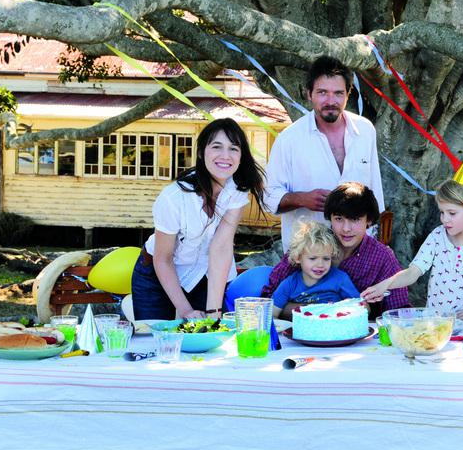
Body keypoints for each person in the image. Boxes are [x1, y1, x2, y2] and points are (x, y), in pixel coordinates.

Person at [131, 118, 264, 321]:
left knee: (208, 337)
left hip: (204, 275)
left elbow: (220, 249)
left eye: (234, 149)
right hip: (157, 274)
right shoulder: (173, 198)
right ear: (202, 153)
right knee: (155, 341)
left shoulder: (236, 191)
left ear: (241, 155)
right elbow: (163, 258)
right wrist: (185, 311)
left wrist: (213, 313)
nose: (225, 156)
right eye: (217, 147)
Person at [361, 179, 463, 323]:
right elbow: (413, 272)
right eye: (442, 212)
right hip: (436, 328)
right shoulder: (438, 236)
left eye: (452, 213)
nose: (444, 219)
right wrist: (385, 284)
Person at [264, 55, 384, 251]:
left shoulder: (365, 131)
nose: (331, 101)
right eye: (322, 92)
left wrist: (373, 247)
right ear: (309, 94)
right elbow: (268, 198)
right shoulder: (289, 139)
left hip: (357, 254)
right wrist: (301, 199)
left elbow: (375, 194)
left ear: (347, 95)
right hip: (308, 257)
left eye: (338, 93)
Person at [262, 182, 408, 319]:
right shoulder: (309, 244)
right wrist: (318, 311)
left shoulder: (382, 257)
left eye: (355, 219)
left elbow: (399, 312)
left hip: (357, 337)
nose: (346, 228)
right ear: (330, 218)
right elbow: (267, 300)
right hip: (298, 335)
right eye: (339, 219)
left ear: (368, 220)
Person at [270, 222, 359, 318]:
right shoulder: (290, 284)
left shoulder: (340, 279)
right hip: (300, 331)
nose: (320, 264)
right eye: (313, 258)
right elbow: (272, 314)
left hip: (334, 328)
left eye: (326, 258)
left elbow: (360, 307)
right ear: (298, 258)